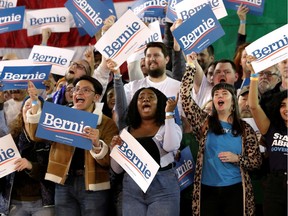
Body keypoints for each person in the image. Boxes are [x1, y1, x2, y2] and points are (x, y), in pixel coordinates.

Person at [180, 52, 262, 216]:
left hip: (235, 190)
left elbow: (256, 162)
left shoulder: (245, 129)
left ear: (233, 101)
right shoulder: (204, 122)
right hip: (207, 190)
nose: (219, 96)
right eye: (216, 94)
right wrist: (190, 67)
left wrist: (237, 159)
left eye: (224, 94)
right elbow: (185, 98)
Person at [25, 76, 119, 216]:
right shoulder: (61, 115)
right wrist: (34, 101)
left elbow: (108, 163)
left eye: (86, 90)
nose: (79, 93)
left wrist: (96, 143)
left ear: (97, 97)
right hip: (64, 183)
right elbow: (35, 135)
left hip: (93, 186)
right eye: (76, 89)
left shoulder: (107, 123)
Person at [111, 87, 182, 216]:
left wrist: (169, 115)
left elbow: (171, 146)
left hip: (163, 188)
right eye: (141, 97)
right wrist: (114, 148)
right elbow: (117, 169)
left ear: (160, 103)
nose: (146, 99)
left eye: (151, 97)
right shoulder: (125, 132)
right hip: (132, 189)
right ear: (135, 105)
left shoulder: (170, 127)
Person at [0, 91, 55, 216]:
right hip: (15, 202)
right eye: (27, 105)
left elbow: (52, 172)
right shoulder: (12, 137)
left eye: (35, 105)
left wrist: (31, 165)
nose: (30, 108)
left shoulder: (50, 139)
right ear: (22, 111)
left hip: (43, 202)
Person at [247, 59, 287, 216]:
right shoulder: (271, 129)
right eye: (283, 105)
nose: (286, 108)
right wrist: (254, 74)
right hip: (274, 185)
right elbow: (253, 106)